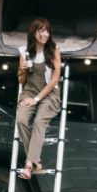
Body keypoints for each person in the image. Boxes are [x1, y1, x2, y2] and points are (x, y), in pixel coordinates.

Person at [15, 18, 61, 180]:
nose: (45, 34)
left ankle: (29, 165)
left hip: (49, 94)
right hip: (29, 92)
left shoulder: (54, 51)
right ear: (34, 33)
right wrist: (22, 70)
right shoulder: (25, 53)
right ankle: (36, 160)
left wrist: (36, 99)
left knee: (38, 121)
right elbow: (22, 81)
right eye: (41, 31)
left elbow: (54, 80)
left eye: (47, 31)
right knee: (21, 120)